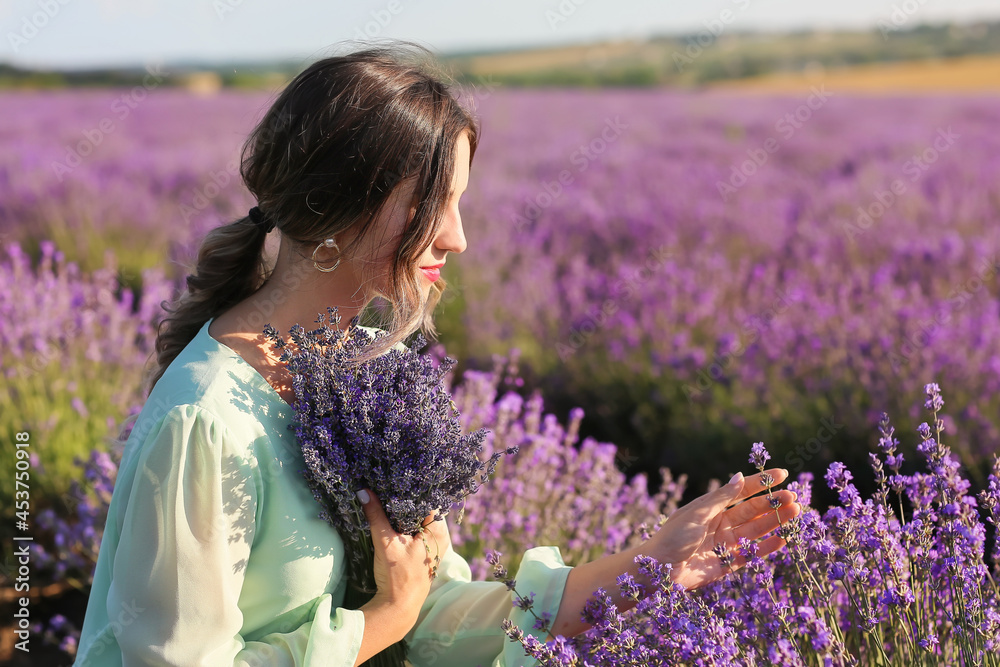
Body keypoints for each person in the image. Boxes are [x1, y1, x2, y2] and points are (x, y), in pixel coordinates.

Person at [72, 41, 801, 667]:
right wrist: (376, 624)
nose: (457, 237)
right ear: (344, 209)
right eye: (434, 204)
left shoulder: (366, 367)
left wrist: (650, 567)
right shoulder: (207, 420)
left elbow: (435, 607)